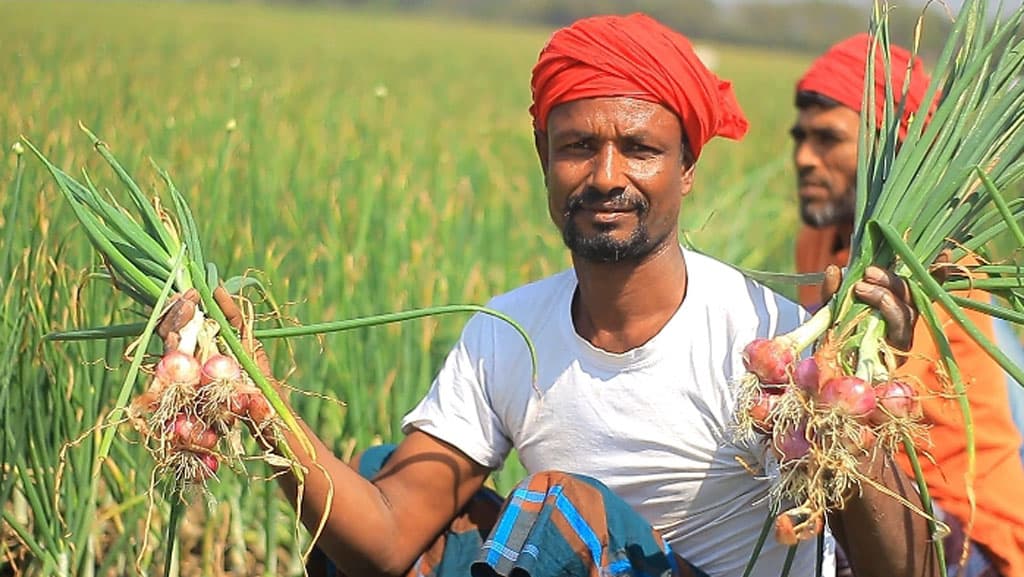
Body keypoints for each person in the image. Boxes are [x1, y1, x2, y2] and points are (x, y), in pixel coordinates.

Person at [164, 14, 938, 577]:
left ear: (687, 167)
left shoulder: (768, 339)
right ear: (545, 157)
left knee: (559, 514)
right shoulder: (507, 333)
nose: (606, 174)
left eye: (639, 148)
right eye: (577, 146)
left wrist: (848, 408)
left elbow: (910, 573)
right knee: (381, 484)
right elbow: (391, 535)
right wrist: (254, 395)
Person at [789, 33, 1024, 577]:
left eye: (827, 140)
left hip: (964, 528)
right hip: (870, 490)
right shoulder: (821, 239)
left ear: (889, 150)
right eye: (800, 138)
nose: (804, 158)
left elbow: (860, 411)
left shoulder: (934, 272)